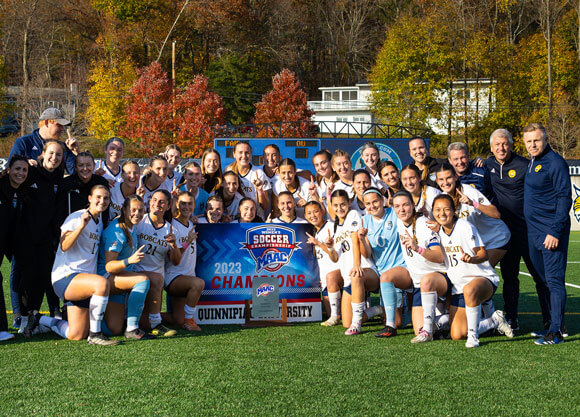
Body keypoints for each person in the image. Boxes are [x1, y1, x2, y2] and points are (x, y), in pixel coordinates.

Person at [485, 128, 549, 331]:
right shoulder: (487, 164)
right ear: (491, 148)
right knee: (510, 279)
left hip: (529, 233)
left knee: (540, 278)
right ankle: (512, 318)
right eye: (497, 144)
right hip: (506, 235)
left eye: (504, 144)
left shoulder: (525, 165)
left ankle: (550, 319)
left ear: (511, 145)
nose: (501, 148)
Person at [41, 185, 119, 345]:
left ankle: (41, 320)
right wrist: (81, 226)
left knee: (75, 334)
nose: (102, 201)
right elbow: (64, 245)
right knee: (102, 283)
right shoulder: (77, 217)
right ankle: (95, 334)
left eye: (106, 198)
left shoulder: (99, 223)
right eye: (98, 197)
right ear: (89, 199)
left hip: (84, 282)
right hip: (66, 277)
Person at [432, 194, 513, 348]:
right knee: (457, 334)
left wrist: (472, 259)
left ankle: (474, 338)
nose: (442, 213)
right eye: (437, 210)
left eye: (446, 209)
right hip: (459, 288)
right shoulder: (438, 233)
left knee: (470, 289)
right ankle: (494, 320)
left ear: (454, 210)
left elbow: (483, 253)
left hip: (482, 279)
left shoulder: (465, 226)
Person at [522, 123, 572, 345]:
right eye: (529, 141)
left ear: (545, 139)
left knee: (554, 281)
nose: (533, 145)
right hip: (533, 234)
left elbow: (564, 198)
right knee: (542, 281)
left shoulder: (555, 162)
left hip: (550, 233)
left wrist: (554, 231)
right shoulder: (533, 161)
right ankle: (552, 324)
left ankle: (557, 332)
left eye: (536, 140)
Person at [14, 140, 65, 336]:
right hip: (25, 237)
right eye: (51, 153)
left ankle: (39, 318)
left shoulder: (59, 178)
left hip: (47, 239)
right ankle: (24, 320)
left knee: (45, 278)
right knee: (26, 279)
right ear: (43, 153)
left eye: (58, 154)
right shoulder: (31, 171)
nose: (54, 157)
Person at [389, 191, 449, 343]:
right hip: (419, 284)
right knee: (417, 328)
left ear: (413, 205)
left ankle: (429, 330)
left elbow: (439, 256)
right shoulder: (399, 222)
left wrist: (418, 249)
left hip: (439, 276)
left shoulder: (424, 225)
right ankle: (446, 319)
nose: (401, 210)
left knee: (426, 281)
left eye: (405, 205)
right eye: (397, 206)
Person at [98, 195, 154, 340]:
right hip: (106, 278)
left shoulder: (131, 226)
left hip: (120, 277)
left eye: (141, 210)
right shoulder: (116, 230)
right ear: (124, 210)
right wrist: (130, 260)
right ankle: (132, 329)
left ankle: (83, 316)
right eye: (133, 210)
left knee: (114, 329)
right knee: (142, 280)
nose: (137, 213)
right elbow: (109, 266)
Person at [435, 162, 510, 267]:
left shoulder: (468, 191)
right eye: (441, 179)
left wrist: (473, 203)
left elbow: (496, 214)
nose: (445, 182)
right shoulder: (442, 198)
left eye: (448, 178)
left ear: (456, 177)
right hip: (478, 244)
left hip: (496, 238)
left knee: (483, 275)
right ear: (437, 181)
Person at [358, 188, 408, 338]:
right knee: (400, 320)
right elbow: (366, 253)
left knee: (396, 322)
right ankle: (382, 309)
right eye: (368, 203)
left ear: (382, 200)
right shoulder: (365, 220)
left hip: (401, 268)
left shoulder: (394, 213)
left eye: (375, 201)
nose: (372, 206)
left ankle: (390, 327)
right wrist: (361, 239)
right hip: (381, 271)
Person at [329, 189, 381, 335]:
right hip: (348, 278)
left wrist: (357, 264)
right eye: (336, 205)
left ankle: (357, 324)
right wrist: (330, 247)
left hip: (365, 269)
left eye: (343, 204)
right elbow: (334, 258)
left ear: (349, 203)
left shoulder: (353, 215)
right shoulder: (335, 226)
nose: (340, 208)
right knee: (346, 322)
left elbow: (355, 239)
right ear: (331, 206)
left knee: (356, 276)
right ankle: (377, 310)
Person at [133, 189, 181, 336]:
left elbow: (176, 261)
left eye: (161, 202)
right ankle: (155, 323)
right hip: (135, 271)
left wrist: (173, 246)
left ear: (168, 206)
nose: (157, 204)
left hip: (157, 279)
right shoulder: (139, 221)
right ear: (149, 201)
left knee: (145, 324)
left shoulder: (171, 229)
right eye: (154, 200)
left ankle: (155, 323)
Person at [164, 191, 205, 331]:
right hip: (174, 277)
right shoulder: (172, 226)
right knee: (198, 283)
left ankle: (147, 316)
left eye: (189, 204)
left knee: (176, 319)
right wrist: (187, 242)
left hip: (186, 276)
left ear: (194, 206)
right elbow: (174, 260)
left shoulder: (191, 224)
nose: (186, 207)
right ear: (176, 204)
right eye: (182, 203)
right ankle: (189, 320)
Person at [0, 156, 30, 341]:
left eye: (24, 170)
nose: (21, 173)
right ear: (9, 169)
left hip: (7, 241)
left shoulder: (21, 191)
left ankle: (4, 328)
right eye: (17, 169)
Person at [9, 107, 78, 175]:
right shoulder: (24, 143)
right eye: (59, 125)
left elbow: (74, 173)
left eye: (63, 126)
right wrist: (25, 164)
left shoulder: (62, 147)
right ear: (46, 122)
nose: (62, 129)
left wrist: (74, 152)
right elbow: (10, 170)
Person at [304, 200, 341, 325]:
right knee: (332, 314)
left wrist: (319, 244)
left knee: (343, 317)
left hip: (337, 276)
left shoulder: (331, 227)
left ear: (322, 211)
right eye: (309, 213)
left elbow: (335, 253)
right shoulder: (315, 231)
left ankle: (375, 310)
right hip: (324, 279)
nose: (313, 215)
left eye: (316, 211)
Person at [57, 151, 110, 227]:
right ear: (75, 167)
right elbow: (59, 212)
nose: (85, 169)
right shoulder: (66, 183)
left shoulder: (101, 182)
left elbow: (105, 211)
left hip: (95, 229)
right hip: (72, 228)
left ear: (94, 166)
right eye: (81, 165)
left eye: (88, 165)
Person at [226, 141, 270, 218]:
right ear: (234, 154)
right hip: (234, 218)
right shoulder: (228, 172)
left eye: (247, 152)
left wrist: (260, 190)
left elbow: (265, 207)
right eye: (240, 152)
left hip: (255, 218)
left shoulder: (259, 174)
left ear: (251, 154)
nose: (244, 156)